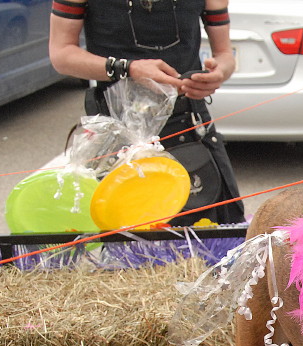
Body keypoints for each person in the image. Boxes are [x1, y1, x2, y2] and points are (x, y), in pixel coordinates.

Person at [48, 0, 245, 226]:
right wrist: (128, 69)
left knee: (218, 236)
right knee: (125, 242)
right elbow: (61, 55)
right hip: (116, 129)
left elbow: (224, 55)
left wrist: (219, 73)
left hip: (188, 122)